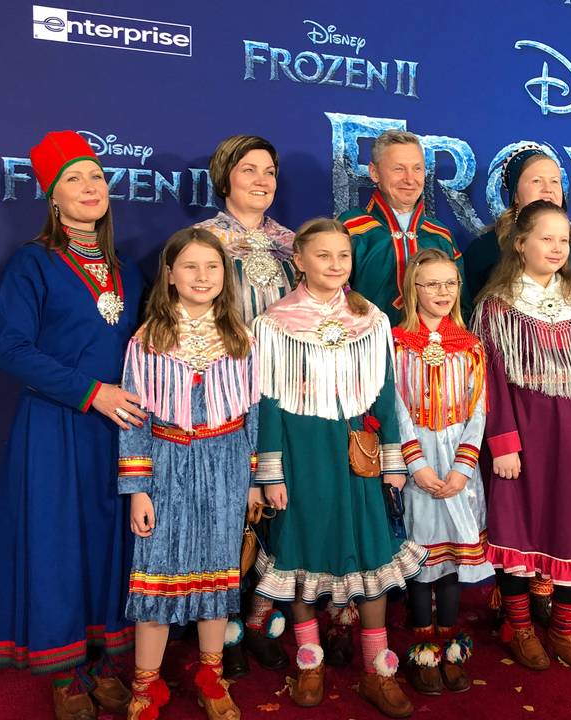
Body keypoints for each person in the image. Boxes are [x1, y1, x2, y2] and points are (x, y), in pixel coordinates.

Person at [0, 130, 145, 720]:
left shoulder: (128, 272)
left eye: (96, 176)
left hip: (118, 428)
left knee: (107, 542)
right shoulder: (34, 262)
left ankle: (100, 660)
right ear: (52, 195)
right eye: (73, 179)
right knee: (57, 544)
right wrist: (90, 392)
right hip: (55, 425)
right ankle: (65, 671)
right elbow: (11, 349)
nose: (89, 187)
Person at [251, 219, 426, 718]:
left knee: (372, 546)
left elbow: (385, 395)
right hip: (302, 451)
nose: (335, 265)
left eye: (343, 256)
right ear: (299, 261)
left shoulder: (370, 318)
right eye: (323, 255)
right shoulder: (275, 323)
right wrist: (272, 472)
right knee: (301, 545)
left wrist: (393, 460)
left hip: (358, 449)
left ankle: (378, 668)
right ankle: (310, 661)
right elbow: (268, 404)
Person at [462, 144, 571, 623]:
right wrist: (503, 442)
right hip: (523, 433)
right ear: (521, 240)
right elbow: (489, 379)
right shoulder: (495, 305)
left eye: (555, 181)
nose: (556, 247)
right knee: (519, 523)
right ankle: (519, 625)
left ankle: (565, 629)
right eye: (537, 180)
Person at [118, 227, 258, 720]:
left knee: (220, 578)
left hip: (225, 466)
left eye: (213, 267)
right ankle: (145, 686)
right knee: (157, 576)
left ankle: (210, 676)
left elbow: (253, 415)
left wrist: (253, 479)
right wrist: (138, 489)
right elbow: (134, 418)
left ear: (226, 275)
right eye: (191, 267)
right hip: (167, 466)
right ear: (171, 275)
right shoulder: (149, 340)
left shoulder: (240, 339)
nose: (203, 276)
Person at [195, 134, 297, 674]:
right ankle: (223, 624)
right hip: (225, 392)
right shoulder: (202, 241)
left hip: (285, 391)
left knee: (279, 501)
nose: (262, 181)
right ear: (225, 177)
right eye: (249, 170)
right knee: (231, 508)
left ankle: (263, 615)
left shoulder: (293, 245)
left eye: (270, 172)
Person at [392, 249, 493, 696]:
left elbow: (479, 409)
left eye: (449, 284)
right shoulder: (395, 343)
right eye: (431, 284)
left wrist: (463, 468)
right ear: (413, 289)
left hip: (457, 462)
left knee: (450, 561)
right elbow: (394, 406)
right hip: (420, 460)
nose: (442, 292)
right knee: (421, 559)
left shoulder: (470, 346)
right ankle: (422, 649)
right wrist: (416, 463)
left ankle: (450, 643)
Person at [339, 129, 466, 325]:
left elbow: (461, 307)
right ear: (374, 172)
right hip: (369, 349)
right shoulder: (351, 230)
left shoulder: (441, 235)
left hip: (432, 352)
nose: (410, 179)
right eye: (398, 169)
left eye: (417, 169)